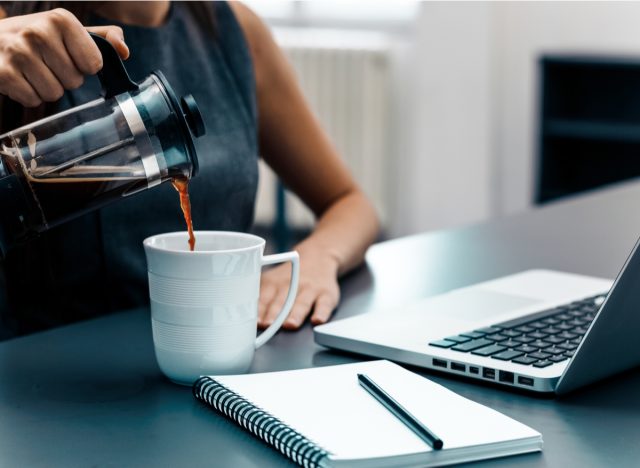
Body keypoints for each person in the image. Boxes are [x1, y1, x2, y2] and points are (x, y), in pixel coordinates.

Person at [0, 1, 378, 339]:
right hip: (52, 379)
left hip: (215, 354)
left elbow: (349, 202)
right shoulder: (13, 38)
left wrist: (316, 259)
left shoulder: (236, 31)